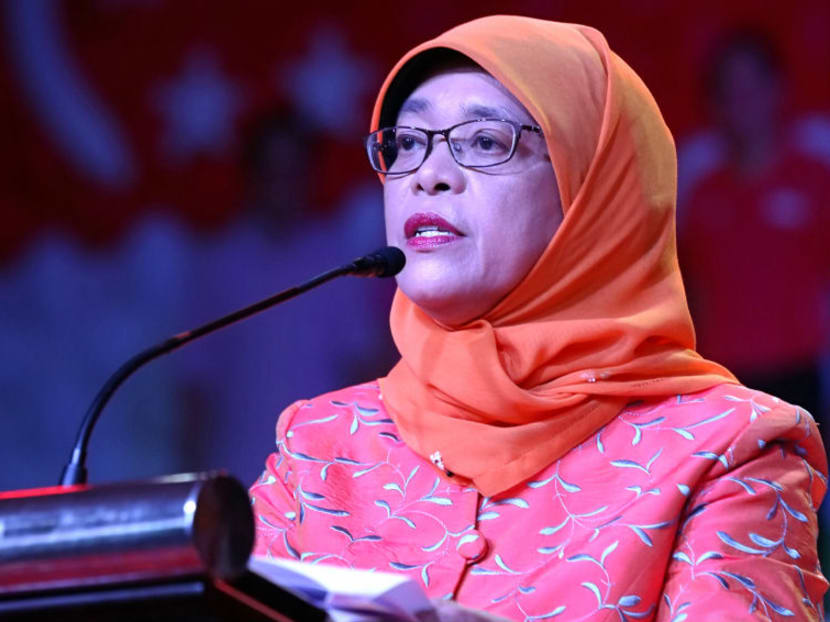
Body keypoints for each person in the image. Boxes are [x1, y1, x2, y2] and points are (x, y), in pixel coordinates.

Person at [249, 16, 827, 621]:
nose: (427, 174)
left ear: (594, 195)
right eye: (407, 142)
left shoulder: (727, 449)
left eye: (484, 141)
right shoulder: (316, 445)